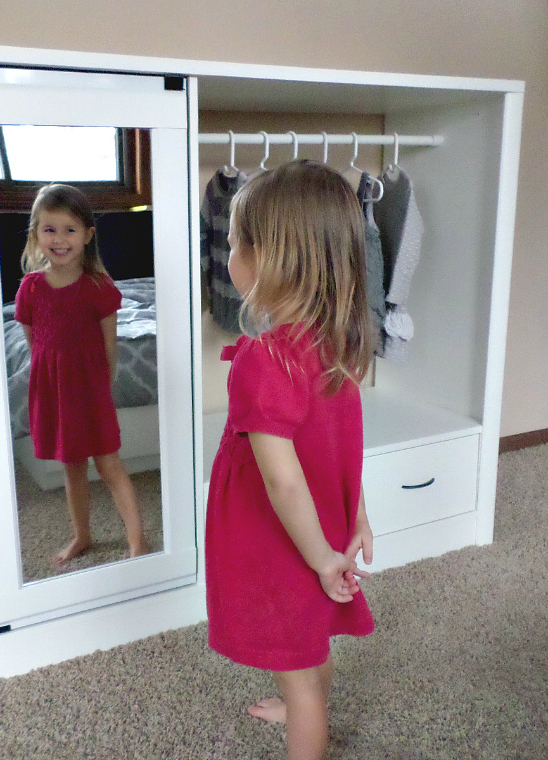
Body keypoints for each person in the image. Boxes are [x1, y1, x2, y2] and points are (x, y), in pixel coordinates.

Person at [205, 161, 376, 760]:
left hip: (279, 535)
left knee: (298, 674)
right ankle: (304, 700)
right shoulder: (339, 343)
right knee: (312, 636)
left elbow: (279, 480)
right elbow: (341, 447)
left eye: (232, 244)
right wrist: (356, 516)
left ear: (267, 258)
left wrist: (324, 559)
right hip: (323, 518)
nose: (228, 258)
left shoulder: (264, 358)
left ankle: (304, 711)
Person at [15, 184, 150, 566]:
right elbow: (34, 343)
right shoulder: (30, 289)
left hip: (91, 393)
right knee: (71, 469)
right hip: (54, 395)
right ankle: (82, 536)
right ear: (36, 234)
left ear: (88, 236)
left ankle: (137, 541)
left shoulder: (98, 288)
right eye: (49, 229)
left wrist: (103, 391)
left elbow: (111, 347)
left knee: (109, 465)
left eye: (69, 229)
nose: (59, 239)